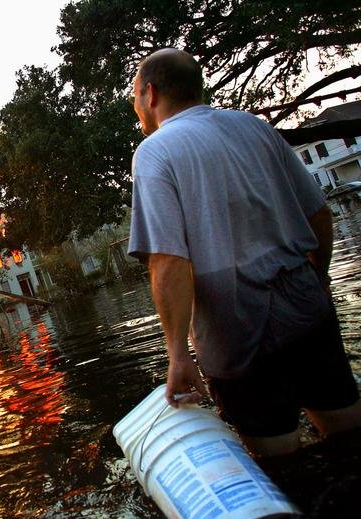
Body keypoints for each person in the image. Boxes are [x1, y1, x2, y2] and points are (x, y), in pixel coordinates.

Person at [127, 48, 361, 456]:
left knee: (280, 460)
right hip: (306, 305)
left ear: (150, 93)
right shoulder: (254, 127)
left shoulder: (155, 152)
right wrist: (319, 276)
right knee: (349, 432)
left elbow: (168, 261)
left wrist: (178, 354)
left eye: (134, 96)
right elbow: (318, 212)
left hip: (236, 328)